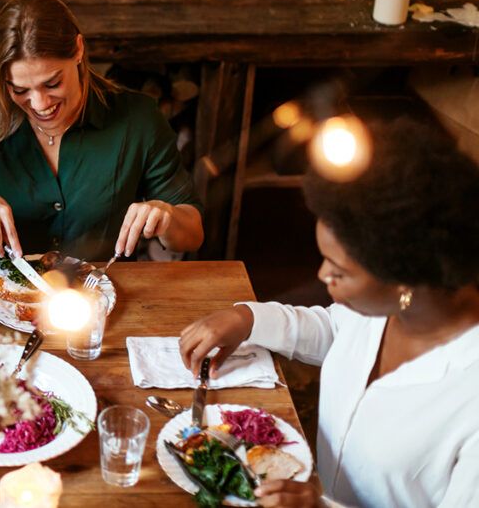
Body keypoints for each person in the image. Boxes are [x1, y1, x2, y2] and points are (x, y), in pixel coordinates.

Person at [179, 117, 479, 508]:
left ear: (402, 276)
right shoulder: (391, 306)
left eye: (339, 271)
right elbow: (338, 332)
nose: (322, 276)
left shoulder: (468, 395)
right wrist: (247, 319)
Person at [0, 0, 203, 263]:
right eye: (19, 89)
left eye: (52, 83)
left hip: (103, 287)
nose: (40, 104)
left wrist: (166, 216)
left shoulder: (138, 118)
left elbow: (193, 235)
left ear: (78, 50)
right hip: (6, 289)